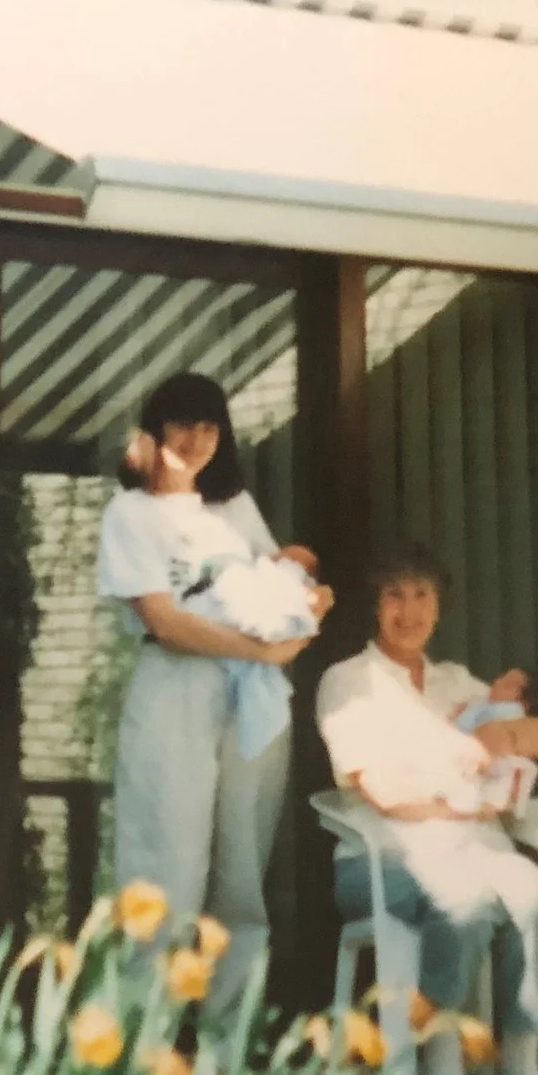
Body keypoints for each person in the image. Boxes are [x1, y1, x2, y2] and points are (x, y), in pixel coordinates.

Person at [315, 539, 538, 1075]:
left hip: (473, 849)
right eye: (394, 595)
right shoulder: (349, 681)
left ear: (438, 607)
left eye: (422, 595)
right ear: (374, 604)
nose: (408, 610)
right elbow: (383, 792)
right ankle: (442, 1065)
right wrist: (460, 805)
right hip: (383, 855)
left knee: (536, 899)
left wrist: (499, 740)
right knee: (465, 904)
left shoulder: (457, 682)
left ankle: (520, 1071)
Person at [94, 372, 334, 1016]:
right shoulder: (132, 513)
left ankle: (226, 1045)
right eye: (181, 423)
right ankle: (145, 1044)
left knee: (241, 873)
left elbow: (285, 583)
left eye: (209, 426)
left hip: (250, 698)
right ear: (154, 431)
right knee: (166, 866)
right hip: (175, 689)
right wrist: (263, 651)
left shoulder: (233, 507)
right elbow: (164, 621)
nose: (195, 439)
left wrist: (312, 604)